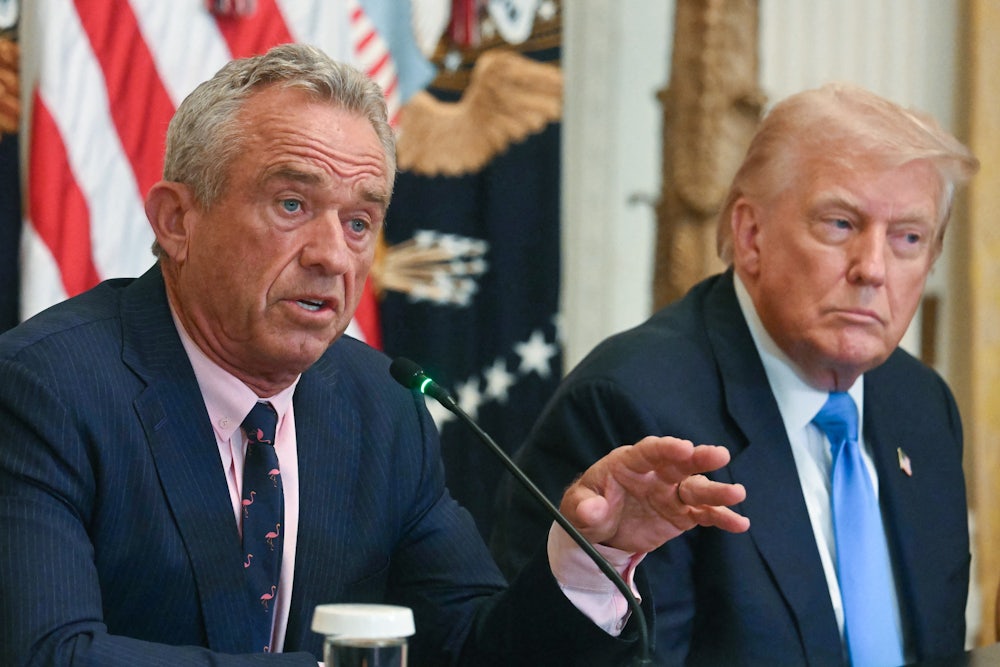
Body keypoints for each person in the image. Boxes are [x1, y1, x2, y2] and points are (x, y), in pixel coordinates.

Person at [0, 43, 749, 666]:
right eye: (292, 205)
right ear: (177, 220)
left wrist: (591, 564)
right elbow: (50, 653)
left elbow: (468, 651)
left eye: (360, 222)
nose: (333, 255)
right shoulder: (48, 388)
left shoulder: (382, 407)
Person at [492, 83, 980, 666]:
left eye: (908, 238)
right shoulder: (634, 407)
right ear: (751, 235)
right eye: (841, 224)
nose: (872, 269)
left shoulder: (922, 406)